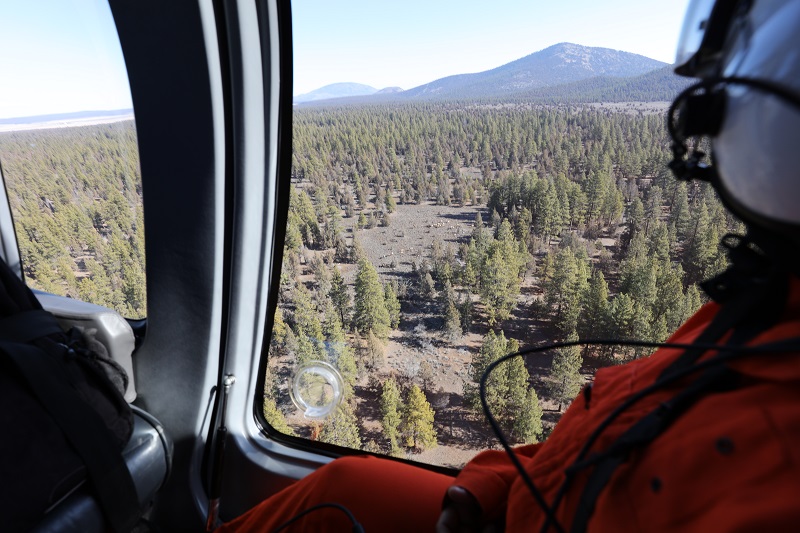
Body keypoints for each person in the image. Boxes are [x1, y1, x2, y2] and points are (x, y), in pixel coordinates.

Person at [218, 0, 800, 530]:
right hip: (522, 507)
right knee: (345, 481)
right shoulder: (762, 307)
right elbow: (618, 437)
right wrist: (486, 487)